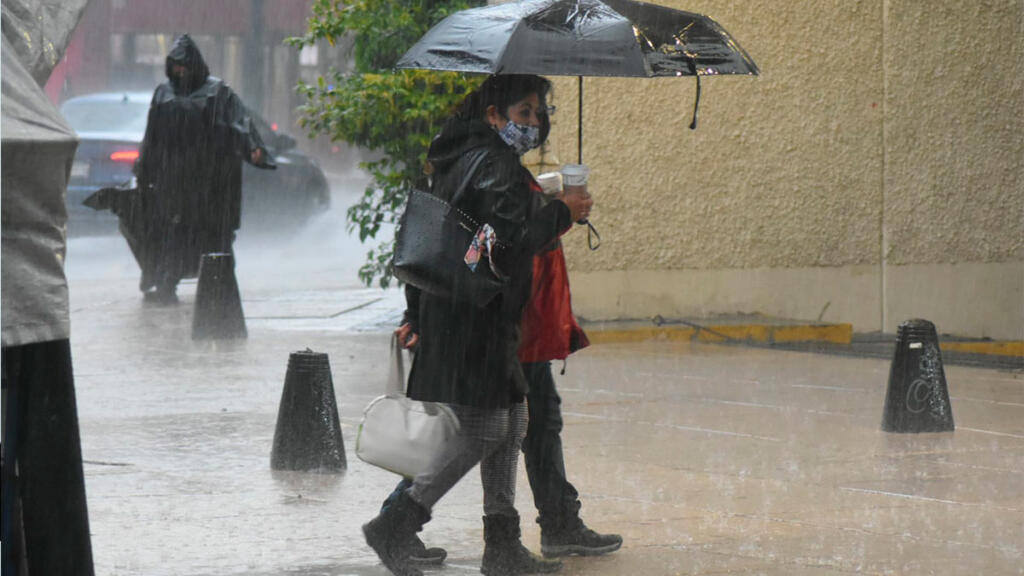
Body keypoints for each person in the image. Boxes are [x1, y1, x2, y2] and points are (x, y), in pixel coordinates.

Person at [362, 74, 592, 576]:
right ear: (494, 115)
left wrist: (417, 311)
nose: (532, 123)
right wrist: (561, 213)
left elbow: (451, 235)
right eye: (523, 112)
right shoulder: (492, 163)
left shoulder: (461, 158)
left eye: (537, 113)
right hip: (475, 316)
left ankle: (501, 541)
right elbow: (507, 241)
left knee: (514, 421)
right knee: (486, 429)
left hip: (468, 311)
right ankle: (397, 522)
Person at [130, 34, 272, 304]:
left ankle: (218, 287)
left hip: (210, 181)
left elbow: (240, 121)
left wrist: (253, 146)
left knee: (213, 235)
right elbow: (152, 135)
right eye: (175, 66)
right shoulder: (163, 93)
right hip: (172, 179)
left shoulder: (217, 91)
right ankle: (165, 283)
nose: (179, 71)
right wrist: (145, 166)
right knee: (171, 233)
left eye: (183, 65)